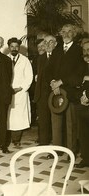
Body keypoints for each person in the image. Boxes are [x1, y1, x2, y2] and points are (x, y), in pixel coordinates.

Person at [47, 24, 86, 158]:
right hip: (55, 92)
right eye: (64, 31)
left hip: (70, 91)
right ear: (61, 33)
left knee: (71, 123)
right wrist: (52, 82)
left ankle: (71, 151)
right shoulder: (57, 49)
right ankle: (57, 150)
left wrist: (61, 81)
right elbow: (49, 69)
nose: (66, 34)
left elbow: (79, 73)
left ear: (74, 34)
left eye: (70, 32)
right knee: (56, 122)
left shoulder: (78, 50)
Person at [7, 37, 33, 146]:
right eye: (12, 46)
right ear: (9, 47)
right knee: (7, 116)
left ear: (19, 48)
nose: (14, 48)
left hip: (21, 92)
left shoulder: (25, 60)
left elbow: (29, 77)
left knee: (18, 117)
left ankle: (16, 140)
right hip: (7, 92)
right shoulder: (5, 59)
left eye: (16, 47)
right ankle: (6, 140)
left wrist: (20, 88)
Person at [34, 35, 57, 145]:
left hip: (55, 93)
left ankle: (58, 145)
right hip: (42, 94)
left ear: (55, 44)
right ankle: (43, 143)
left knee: (56, 121)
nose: (47, 45)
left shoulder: (59, 56)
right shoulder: (41, 58)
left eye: (51, 42)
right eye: (45, 42)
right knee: (43, 120)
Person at [74, 40, 89, 168]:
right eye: (84, 50)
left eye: (88, 50)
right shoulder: (81, 65)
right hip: (82, 105)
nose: (86, 53)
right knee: (84, 133)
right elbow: (74, 79)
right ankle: (85, 159)